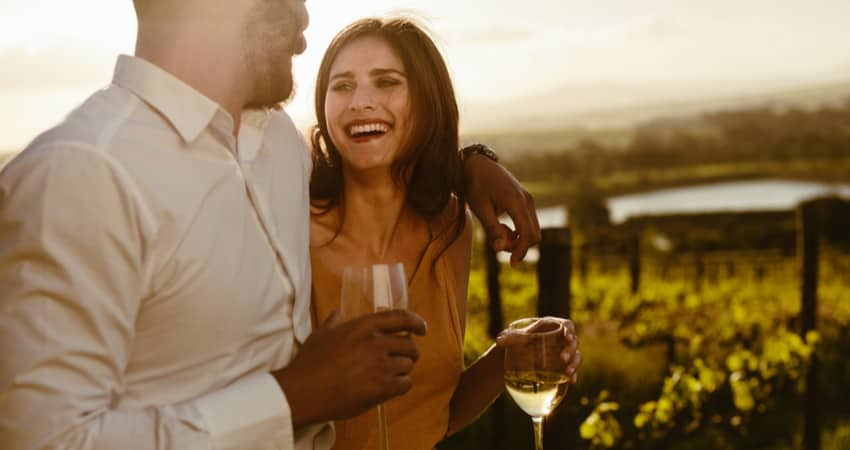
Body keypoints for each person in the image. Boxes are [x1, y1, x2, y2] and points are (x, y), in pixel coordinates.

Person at [0, 1, 544, 450]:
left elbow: (380, 164)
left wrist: (470, 163)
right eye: (289, 8)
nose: (306, 29)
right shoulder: (82, 171)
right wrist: (291, 398)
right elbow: (43, 440)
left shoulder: (278, 147)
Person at [309, 17, 581, 450]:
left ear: (426, 101)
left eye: (386, 82)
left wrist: (507, 357)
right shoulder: (290, 220)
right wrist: (471, 161)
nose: (361, 101)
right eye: (342, 86)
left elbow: (437, 413)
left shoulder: (450, 227)